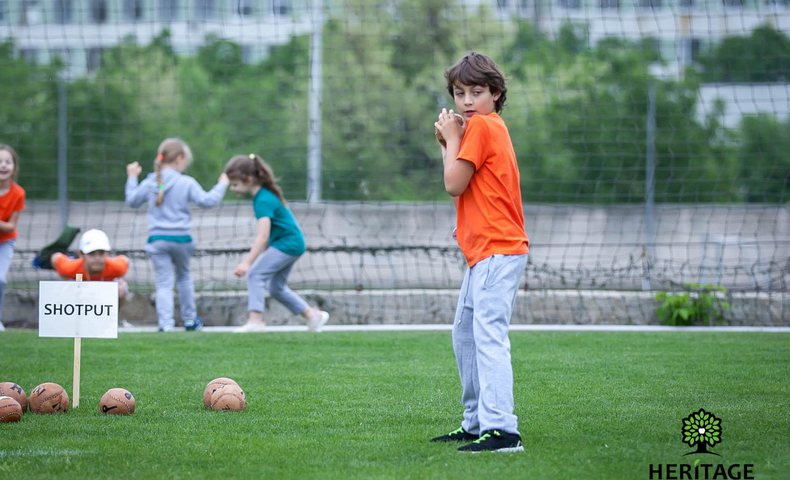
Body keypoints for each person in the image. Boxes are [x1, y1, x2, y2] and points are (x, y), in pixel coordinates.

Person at [431, 53, 530, 453]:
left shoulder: (483, 126)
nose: (468, 101)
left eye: (477, 92)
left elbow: (453, 184)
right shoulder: (484, 127)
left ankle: (503, 431)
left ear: (497, 94)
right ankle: (475, 423)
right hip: (485, 253)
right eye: (460, 93)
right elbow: (461, 180)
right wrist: (448, 143)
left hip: (497, 249)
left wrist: (451, 138)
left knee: (488, 337)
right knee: (465, 336)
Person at [125, 138, 229, 332]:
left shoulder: (150, 183)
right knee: (184, 278)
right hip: (182, 240)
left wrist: (132, 177)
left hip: (157, 240)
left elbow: (132, 200)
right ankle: (190, 320)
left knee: (163, 283)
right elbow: (207, 201)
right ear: (180, 158)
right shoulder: (186, 182)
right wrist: (222, 184)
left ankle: (166, 325)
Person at [224, 153, 329, 333]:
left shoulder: (263, 199)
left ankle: (255, 322)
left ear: (248, 180)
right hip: (291, 243)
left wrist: (247, 263)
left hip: (287, 244)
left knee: (255, 275)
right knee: (276, 287)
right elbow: (270, 234)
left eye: (234, 184)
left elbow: (262, 236)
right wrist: (265, 254)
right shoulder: (263, 196)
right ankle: (313, 317)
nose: (232, 188)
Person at [51, 229, 129, 301]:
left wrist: (120, 279)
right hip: (79, 283)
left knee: (121, 290)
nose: (97, 258)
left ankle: (114, 311)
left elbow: (125, 260)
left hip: (106, 291)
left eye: (101, 253)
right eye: (91, 253)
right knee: (71, 290)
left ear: (108, 253)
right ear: (81, 254)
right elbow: (55, 258)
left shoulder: (116, 267)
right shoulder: (72, 268)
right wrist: (66, 279)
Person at [0, 144, 25, 332]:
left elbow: (10, 226)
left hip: (5, 242)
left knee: (0, 280)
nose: (3, 165)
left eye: (7, 162)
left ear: (14, 168)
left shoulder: (18, 193)